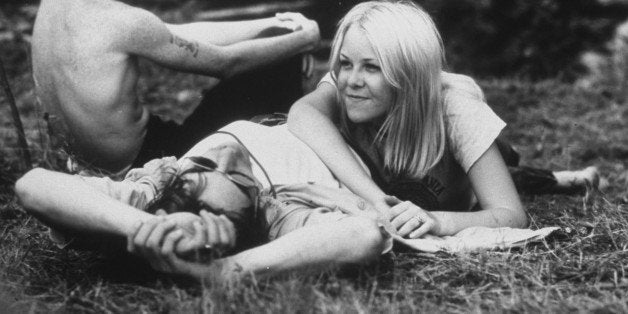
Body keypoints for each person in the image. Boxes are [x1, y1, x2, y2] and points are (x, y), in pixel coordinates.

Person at [287, 0, 591, 238]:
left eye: (372, 67)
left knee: (503, 173)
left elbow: (511, 214)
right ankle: (562, 178)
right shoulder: (344, 85)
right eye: (345, 63)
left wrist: (435, 221)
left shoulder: (459, 111)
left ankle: (563, 180)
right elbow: (302, 114)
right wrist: (377, 200)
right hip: (414, 179)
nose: (351, 79)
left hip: (462, 165)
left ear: (408, 75)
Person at [15, 121, 390, 282]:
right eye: (211, 207)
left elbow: (32, 185)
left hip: (278, 119)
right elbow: (364, 235)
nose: (226, 157)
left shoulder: (155, 190)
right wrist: (224, 272)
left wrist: (145, 226)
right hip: (339, 146)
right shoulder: (276, 211)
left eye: (196, 183)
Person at [32, 0, 320, 176]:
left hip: (88, 165)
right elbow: (226, 63)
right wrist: (303, 40)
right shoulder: (116, 20)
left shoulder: (51, 10)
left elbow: (172, 32)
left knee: (280, 40)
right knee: (281, 61)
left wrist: (277, 23)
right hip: (152, 163)